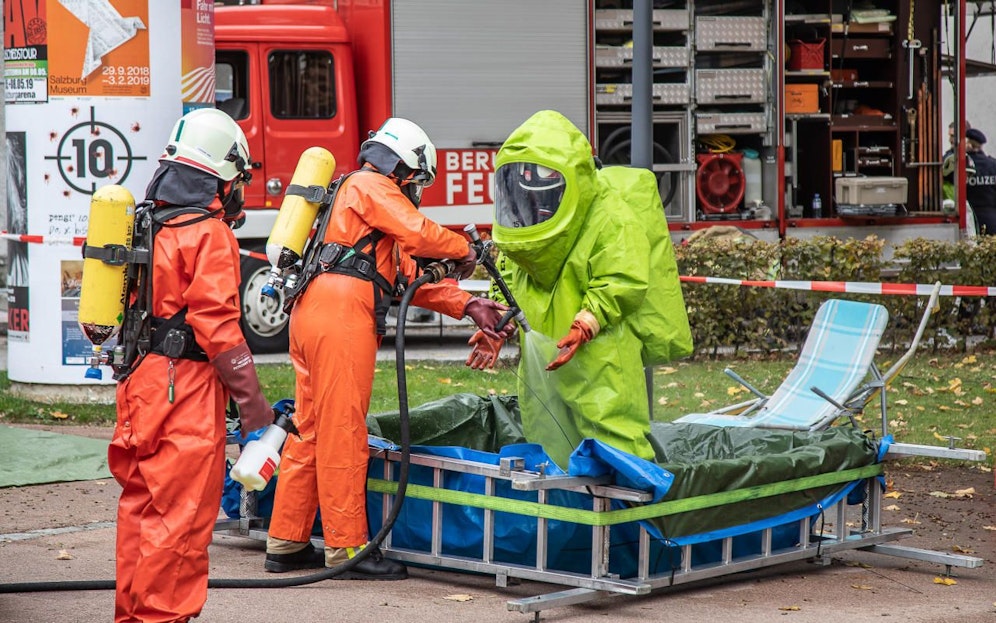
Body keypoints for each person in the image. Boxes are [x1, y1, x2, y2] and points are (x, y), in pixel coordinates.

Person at [264, 118, 512, 578]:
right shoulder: (369, 185)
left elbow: (406, 278)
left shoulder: (354, 207)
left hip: (313, 311)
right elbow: (418, 233)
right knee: (343, 431)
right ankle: (347, 548)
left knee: (311, 428)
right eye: (418, 180)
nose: (416, 190)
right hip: (339, 316)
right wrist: (463, 248)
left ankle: (286, 539)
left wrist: (469, 303)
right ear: (405, 168)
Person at [108, 108, 275, 622]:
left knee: (140, 507)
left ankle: (133, 615)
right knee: (180, 520)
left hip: (141, 381)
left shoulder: (146, 222)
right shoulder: (209, 235)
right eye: (239, 179)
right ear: (222, 177)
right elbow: (218, 327)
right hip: (187, 390)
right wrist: (252, 402)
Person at [466, 109, 692, 469]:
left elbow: (623, 275)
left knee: (616, 444)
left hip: (601, 356)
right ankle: (567, 520)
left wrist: (586, 322)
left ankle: (623, 522)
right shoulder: (526, 224)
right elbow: (508, 275)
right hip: (544, 359)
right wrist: (498, 322)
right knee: (547, 440)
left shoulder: (610, 215)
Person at [965, 127, 996, 235]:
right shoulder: (993, 164)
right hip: (992, 219)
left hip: (970, 221)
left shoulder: (964, 167)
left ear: (969, 144)